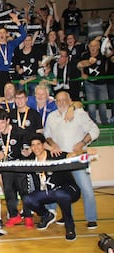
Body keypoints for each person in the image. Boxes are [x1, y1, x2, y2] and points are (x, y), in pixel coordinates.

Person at [44, 91, 100, 229]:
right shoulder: (51, 116)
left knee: (87, 189)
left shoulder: (79, 113)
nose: (61, 102)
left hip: (77, 158)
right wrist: (53, 144)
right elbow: (47, 135)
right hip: (61, 159)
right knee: (63, 190)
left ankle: (91, 218)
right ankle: (66, 216)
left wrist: (81, 143)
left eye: (64, 99)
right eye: (58, 100)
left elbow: (94, 131)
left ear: (70, 100)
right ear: (55, 102)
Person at [24, 134, 81, 241]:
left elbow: (72, 155)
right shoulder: (31, 160)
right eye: (33, 145)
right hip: (48, 192)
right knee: (28, 199)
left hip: (69, 190)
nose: (36, 148)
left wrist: (85, 153)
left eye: (38, 144)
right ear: (31, 147)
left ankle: (70, 226)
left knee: (60, 193)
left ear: (44, 145)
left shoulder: (54, 154)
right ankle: (47, 215)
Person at [0, 12, 27, 97]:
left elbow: (24, 35)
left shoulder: (11, 45)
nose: (2, 34)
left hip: (5, 74)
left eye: (4, 32)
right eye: (0, 33)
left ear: (7, 34)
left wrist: (17, 22)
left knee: (7, 97)